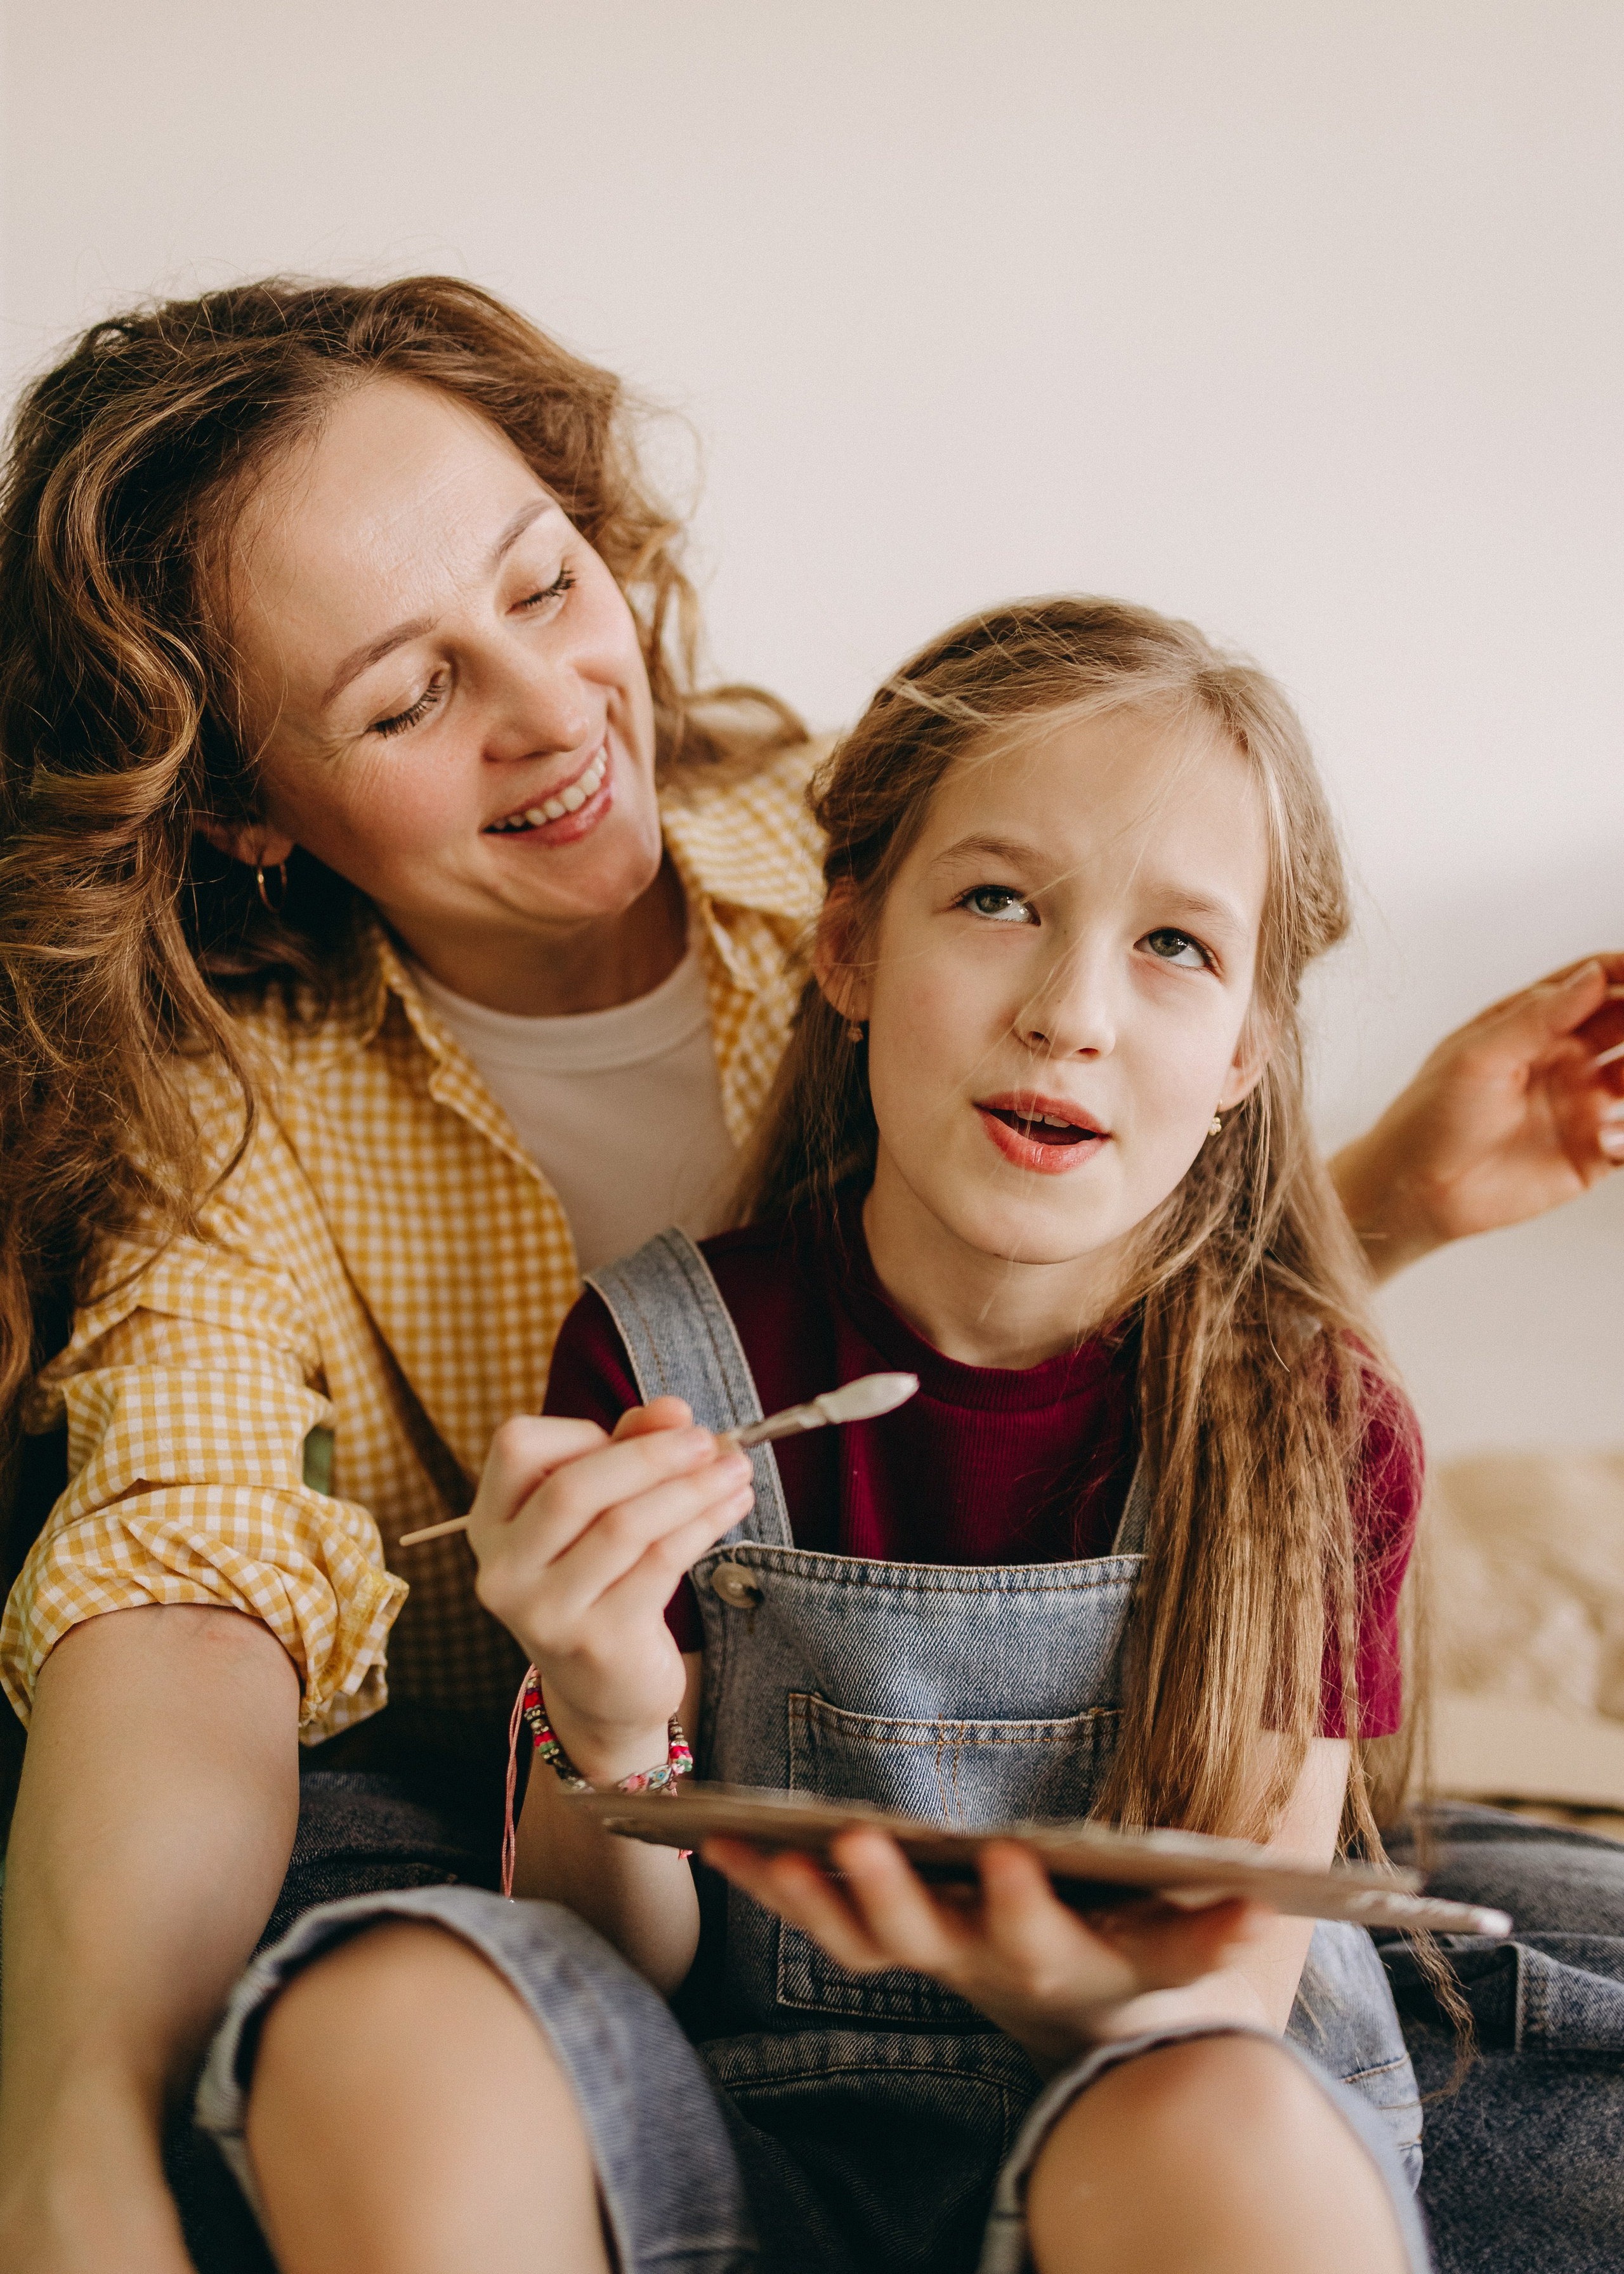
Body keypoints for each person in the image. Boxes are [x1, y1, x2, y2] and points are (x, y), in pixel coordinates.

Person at [0, 275, 1616, 2274]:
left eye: (544, 580)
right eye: (405, 700)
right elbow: (182, 1585)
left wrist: (1386, 1196)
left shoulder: (923, 830)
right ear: (241, 803)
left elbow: (1117, 1334)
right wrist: (68, 2153)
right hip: (581, 1860)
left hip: (1115, 1948)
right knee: (373, 2006)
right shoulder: (227, 1123)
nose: (551, 711)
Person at [212, 595, 1438, 2274]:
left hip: (1149, 2117)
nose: (1071, 1010)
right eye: (997, 901)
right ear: (848, 949)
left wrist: (1045, 1975)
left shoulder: (1314, 1430)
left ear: (1245, 1053)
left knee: (1213, 2115)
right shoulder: (658, 1358)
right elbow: (598, 1955)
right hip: (738, 2133)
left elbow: (1219, 2006)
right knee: (392, 2016)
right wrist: (609, 1716)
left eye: (1175, 946)